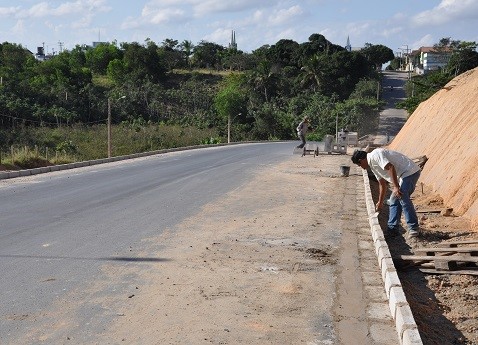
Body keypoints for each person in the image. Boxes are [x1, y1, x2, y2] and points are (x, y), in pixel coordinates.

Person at [351, 148, 421, 238]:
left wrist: (396, 187)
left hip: (409, 172)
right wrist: (380, 202)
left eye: (359, 165)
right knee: (393, 199)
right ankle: (393, 229)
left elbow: (390, 167)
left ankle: (413, 228)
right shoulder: (373, 166)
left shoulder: (375, 155)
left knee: (401, 196)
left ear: (360, 160)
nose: (361, 167)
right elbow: (382, 184)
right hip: (404, 175)